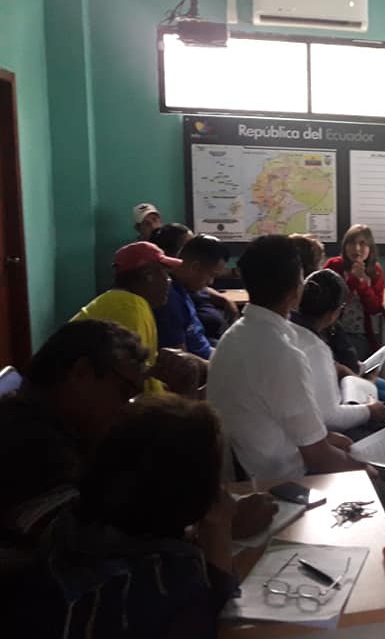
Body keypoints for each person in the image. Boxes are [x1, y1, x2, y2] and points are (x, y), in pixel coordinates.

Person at [0, 321, 276, 548]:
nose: (128, 408)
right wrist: (217, 529)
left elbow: (131, 491)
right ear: (81, 373)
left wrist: (183, 401)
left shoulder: (64, 425)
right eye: (125, 392)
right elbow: (81, 548)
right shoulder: (26, 442)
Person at [10, 396, 238, 638]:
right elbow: (221, 621)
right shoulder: (170, 577)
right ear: (198, 496)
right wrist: (219, 529)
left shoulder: (66, 529)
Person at [208, 235, 366, 480]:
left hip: (257, 461)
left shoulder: (233, 336)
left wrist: (325, 437)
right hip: (283, 480)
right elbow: (318, 457)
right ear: (295, 292)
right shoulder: (283, 354)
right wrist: (367, 472)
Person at [72, 242, 197, 395]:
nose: (169, 282)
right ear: (148, 275)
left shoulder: (122, 301)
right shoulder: (130, 307)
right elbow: (135, 387)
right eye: (165, 274)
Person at [291, 269, 385, 413]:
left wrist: (354, 374)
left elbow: (338, 366)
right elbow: (332, 416)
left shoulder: (293, 325)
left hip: (346, 378)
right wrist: (368, 386)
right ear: (333, 313)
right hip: (340, 394)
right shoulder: (316, 347)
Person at [152, 223, 238, 341]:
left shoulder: (186, 287)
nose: (211, 282)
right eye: (187, 246)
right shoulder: (171, 297)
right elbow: (179, 350)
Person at [323, 224, 385, 361]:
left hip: (362, 334)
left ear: (370, 248)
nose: (357, 248)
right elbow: (330, 302)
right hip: (333, 331)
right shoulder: (334, 265)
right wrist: (353, 279)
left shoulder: (375, 270)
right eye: (351, 243)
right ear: (345, 246)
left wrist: (362, 284)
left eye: (362, 243)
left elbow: (375, 308)